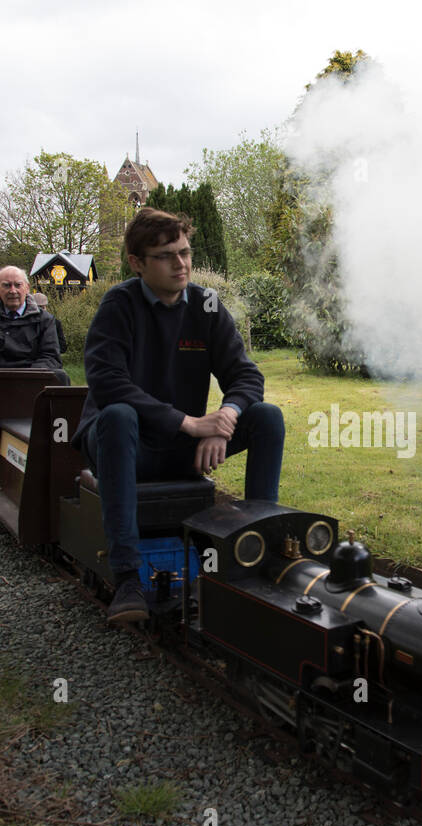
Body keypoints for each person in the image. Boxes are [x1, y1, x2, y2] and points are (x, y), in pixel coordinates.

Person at [72, 207, 284, 624]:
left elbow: (244, 374)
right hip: (124, 448)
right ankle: (128, 579)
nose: (181, 263)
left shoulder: (206, 304)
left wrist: (224, 418)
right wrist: (188, 423)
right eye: (167, 255)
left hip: (180, 447)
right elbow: (108, 381)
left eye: (185, 252)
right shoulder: (120, 304)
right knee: (117, 414)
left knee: (267, 417)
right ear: (137, 263)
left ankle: (260, 554)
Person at [0, 265, 69, 450]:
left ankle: (57, 448)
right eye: (6, 285)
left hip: (33, 374)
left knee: (61, 378)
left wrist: (28, 376)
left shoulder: (45, 320)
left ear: (26, 287)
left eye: (17, 285)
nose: (13, 291)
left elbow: (51, 355)